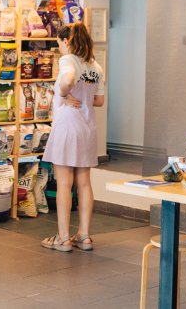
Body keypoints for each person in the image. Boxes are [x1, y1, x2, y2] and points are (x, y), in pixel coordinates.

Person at [41, 22, 105, 252]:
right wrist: (81, 97)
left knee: (64, 184)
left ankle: (64, 238)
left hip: (68, 126)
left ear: (66, 41)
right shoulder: (95, 65)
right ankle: (85, 236)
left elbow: (67, 79)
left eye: (59, 43)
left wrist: (63, 93)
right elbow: (98, 101)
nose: (59, 47)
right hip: (87, 128)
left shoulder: (68, 59)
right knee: (84, 183)